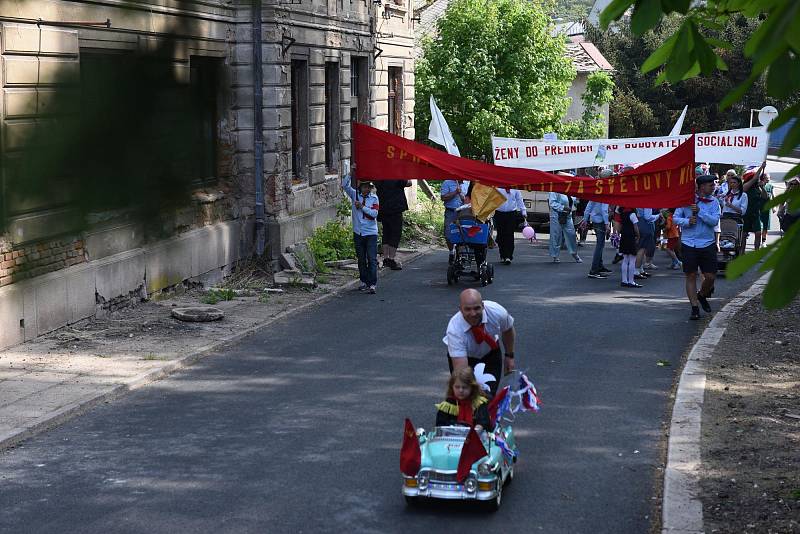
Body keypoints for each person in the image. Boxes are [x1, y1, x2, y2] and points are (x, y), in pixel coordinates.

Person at [443, 289, 516, 395]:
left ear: (483, 305)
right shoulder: (454, 329)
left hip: (491, 354)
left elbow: (508, 329)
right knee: (466, 394)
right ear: (460, 309)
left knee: (488, 396)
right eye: (467, 309)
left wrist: (509, 356)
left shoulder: (496, 311)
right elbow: (462, 371)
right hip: (466, 359)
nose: (473, 313)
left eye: (477, 308)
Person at [674, 175, 721, 320]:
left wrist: (701, 212)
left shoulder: (714, 202)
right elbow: (675, 218)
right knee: (691, 275)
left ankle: (701, 295)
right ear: (701, 187)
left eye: (713, 185)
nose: (713, 187)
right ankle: (694, 307)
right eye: (710, 185)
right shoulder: (686, 201)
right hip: (689, 243)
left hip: (707, 243)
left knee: (711, 276)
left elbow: (714, 221)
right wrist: (687, 221)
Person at [342, 173, 380, 294]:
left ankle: (372, 283)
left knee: (372, 258)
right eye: (364, 187)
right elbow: (344, 185)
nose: (366, 189)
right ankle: (363, 281)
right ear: (360, 187)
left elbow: (374, 214)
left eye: (368, 187)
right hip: (358, 232)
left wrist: (362, 207)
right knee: (361, 259)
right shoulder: (354, 195)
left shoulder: (374, 198)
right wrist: (351, 173)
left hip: (371, 233)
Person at [435, 366, 491, 432]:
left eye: (465, 387)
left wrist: (478, 428)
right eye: (457, 387)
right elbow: (440, 424)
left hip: (474, 438)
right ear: (452, 387)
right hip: (451, 438)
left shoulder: (479, 403)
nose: (461, 390)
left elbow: (484, 421)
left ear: (472, 387)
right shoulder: (447, 405)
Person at [375, 179, 412, 270]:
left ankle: (386, 258)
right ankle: (391, 259)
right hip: (395, 209)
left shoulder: (380, 177)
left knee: (386, 233)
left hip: (383, 208)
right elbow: (409, 183)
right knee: (395, 233)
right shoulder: (395, 176)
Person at [494, 187, 528, 264]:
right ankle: (502, 254)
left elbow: (519, 199)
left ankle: (508, 256)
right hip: (499, 213)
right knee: (501, 234)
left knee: (509, 234)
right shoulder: (498, 187)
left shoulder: (515, 188)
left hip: (511, 213)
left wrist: (523, 211)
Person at [548, 192, 582, 263]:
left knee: (571, 234)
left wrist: (577, 199)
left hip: (567, 215)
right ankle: (555, 256)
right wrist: (562, 207)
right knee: (556, 235)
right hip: (557, 215)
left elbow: (572, 200)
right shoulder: (554, 190)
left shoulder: (568, 189)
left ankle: (574, 253)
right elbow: (552, 203)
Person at [742, 164, 769, 251]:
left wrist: (762, 187)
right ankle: (741, 252)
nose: (757, 179)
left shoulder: (758, 188)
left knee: (758, 233)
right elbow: (754, 178)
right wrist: (762, 167)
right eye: (756, 178)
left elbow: (765, 197)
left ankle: (756, 252)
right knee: (744, 234)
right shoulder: (745, 187)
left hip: (756, 214)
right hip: (745, 214)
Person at [441, 179, 469, 264]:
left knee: (464, 232)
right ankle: (451, 251)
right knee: (448, 233)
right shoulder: (447, 182)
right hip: (451, 211)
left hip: (464, 212)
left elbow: (470, 198)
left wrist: (464, 198)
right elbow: (443, 197)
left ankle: (462, 253)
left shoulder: (468, 183)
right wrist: (455, 192)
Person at [582, 200, 611, 278]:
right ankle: (594, 270)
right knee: (600, 245)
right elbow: (604, 209)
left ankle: (599, 266)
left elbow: (589, 206)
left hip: (595, 219)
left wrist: (585, 219)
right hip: (601, 220)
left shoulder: (596, 193)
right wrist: (606, 223)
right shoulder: (604, 193)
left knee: (600, 243)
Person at [618, 206, 641, 288]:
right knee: (632, 259)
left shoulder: (622, 214)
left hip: (624, 236)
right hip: (631, 237)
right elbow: (635, 227)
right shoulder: (632, 215)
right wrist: (638, 236)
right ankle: (631, 281)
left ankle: (624, 280)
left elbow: (620, 226)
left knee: (625, 259)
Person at [759, 173, 774, 244]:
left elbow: (773, 197)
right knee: (759, 225)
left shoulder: (770, 186)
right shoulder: (758, 185)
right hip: (759, 208)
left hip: (767, 209)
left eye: (769, 178)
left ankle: (764, 240)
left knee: (765, 225)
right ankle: (758, 239)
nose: (768, 179)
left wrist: (774, 207)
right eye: (766, 178)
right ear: (762, 178)